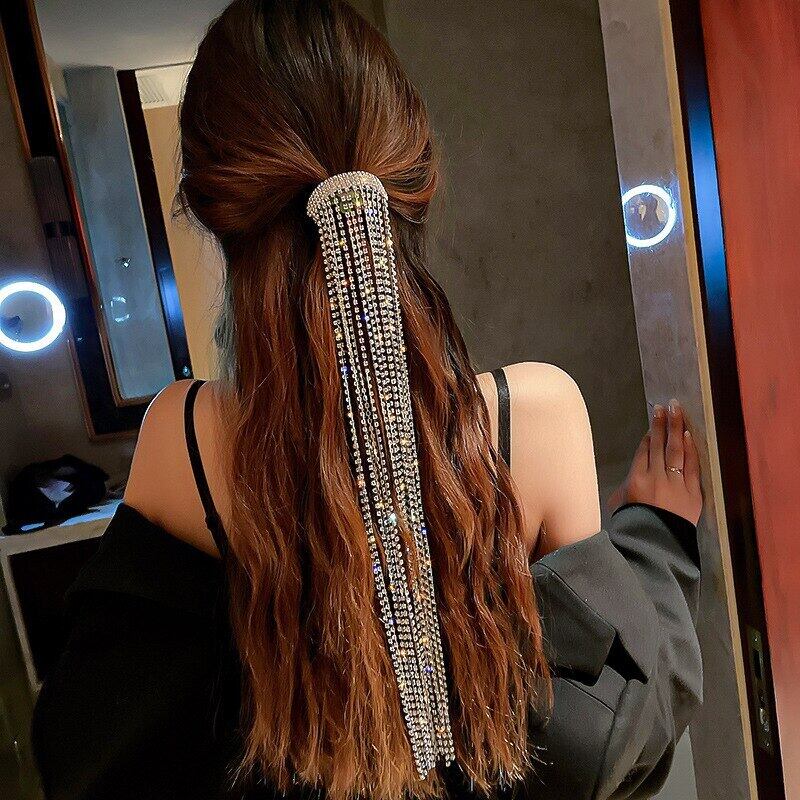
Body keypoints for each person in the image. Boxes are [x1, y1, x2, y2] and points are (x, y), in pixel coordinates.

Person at [31, 1, 703, 798]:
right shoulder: (536, 418)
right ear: (416, 175)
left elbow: (93, 748)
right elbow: (620, 735)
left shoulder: (186, 437)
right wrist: (658, 539)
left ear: (208, 205)